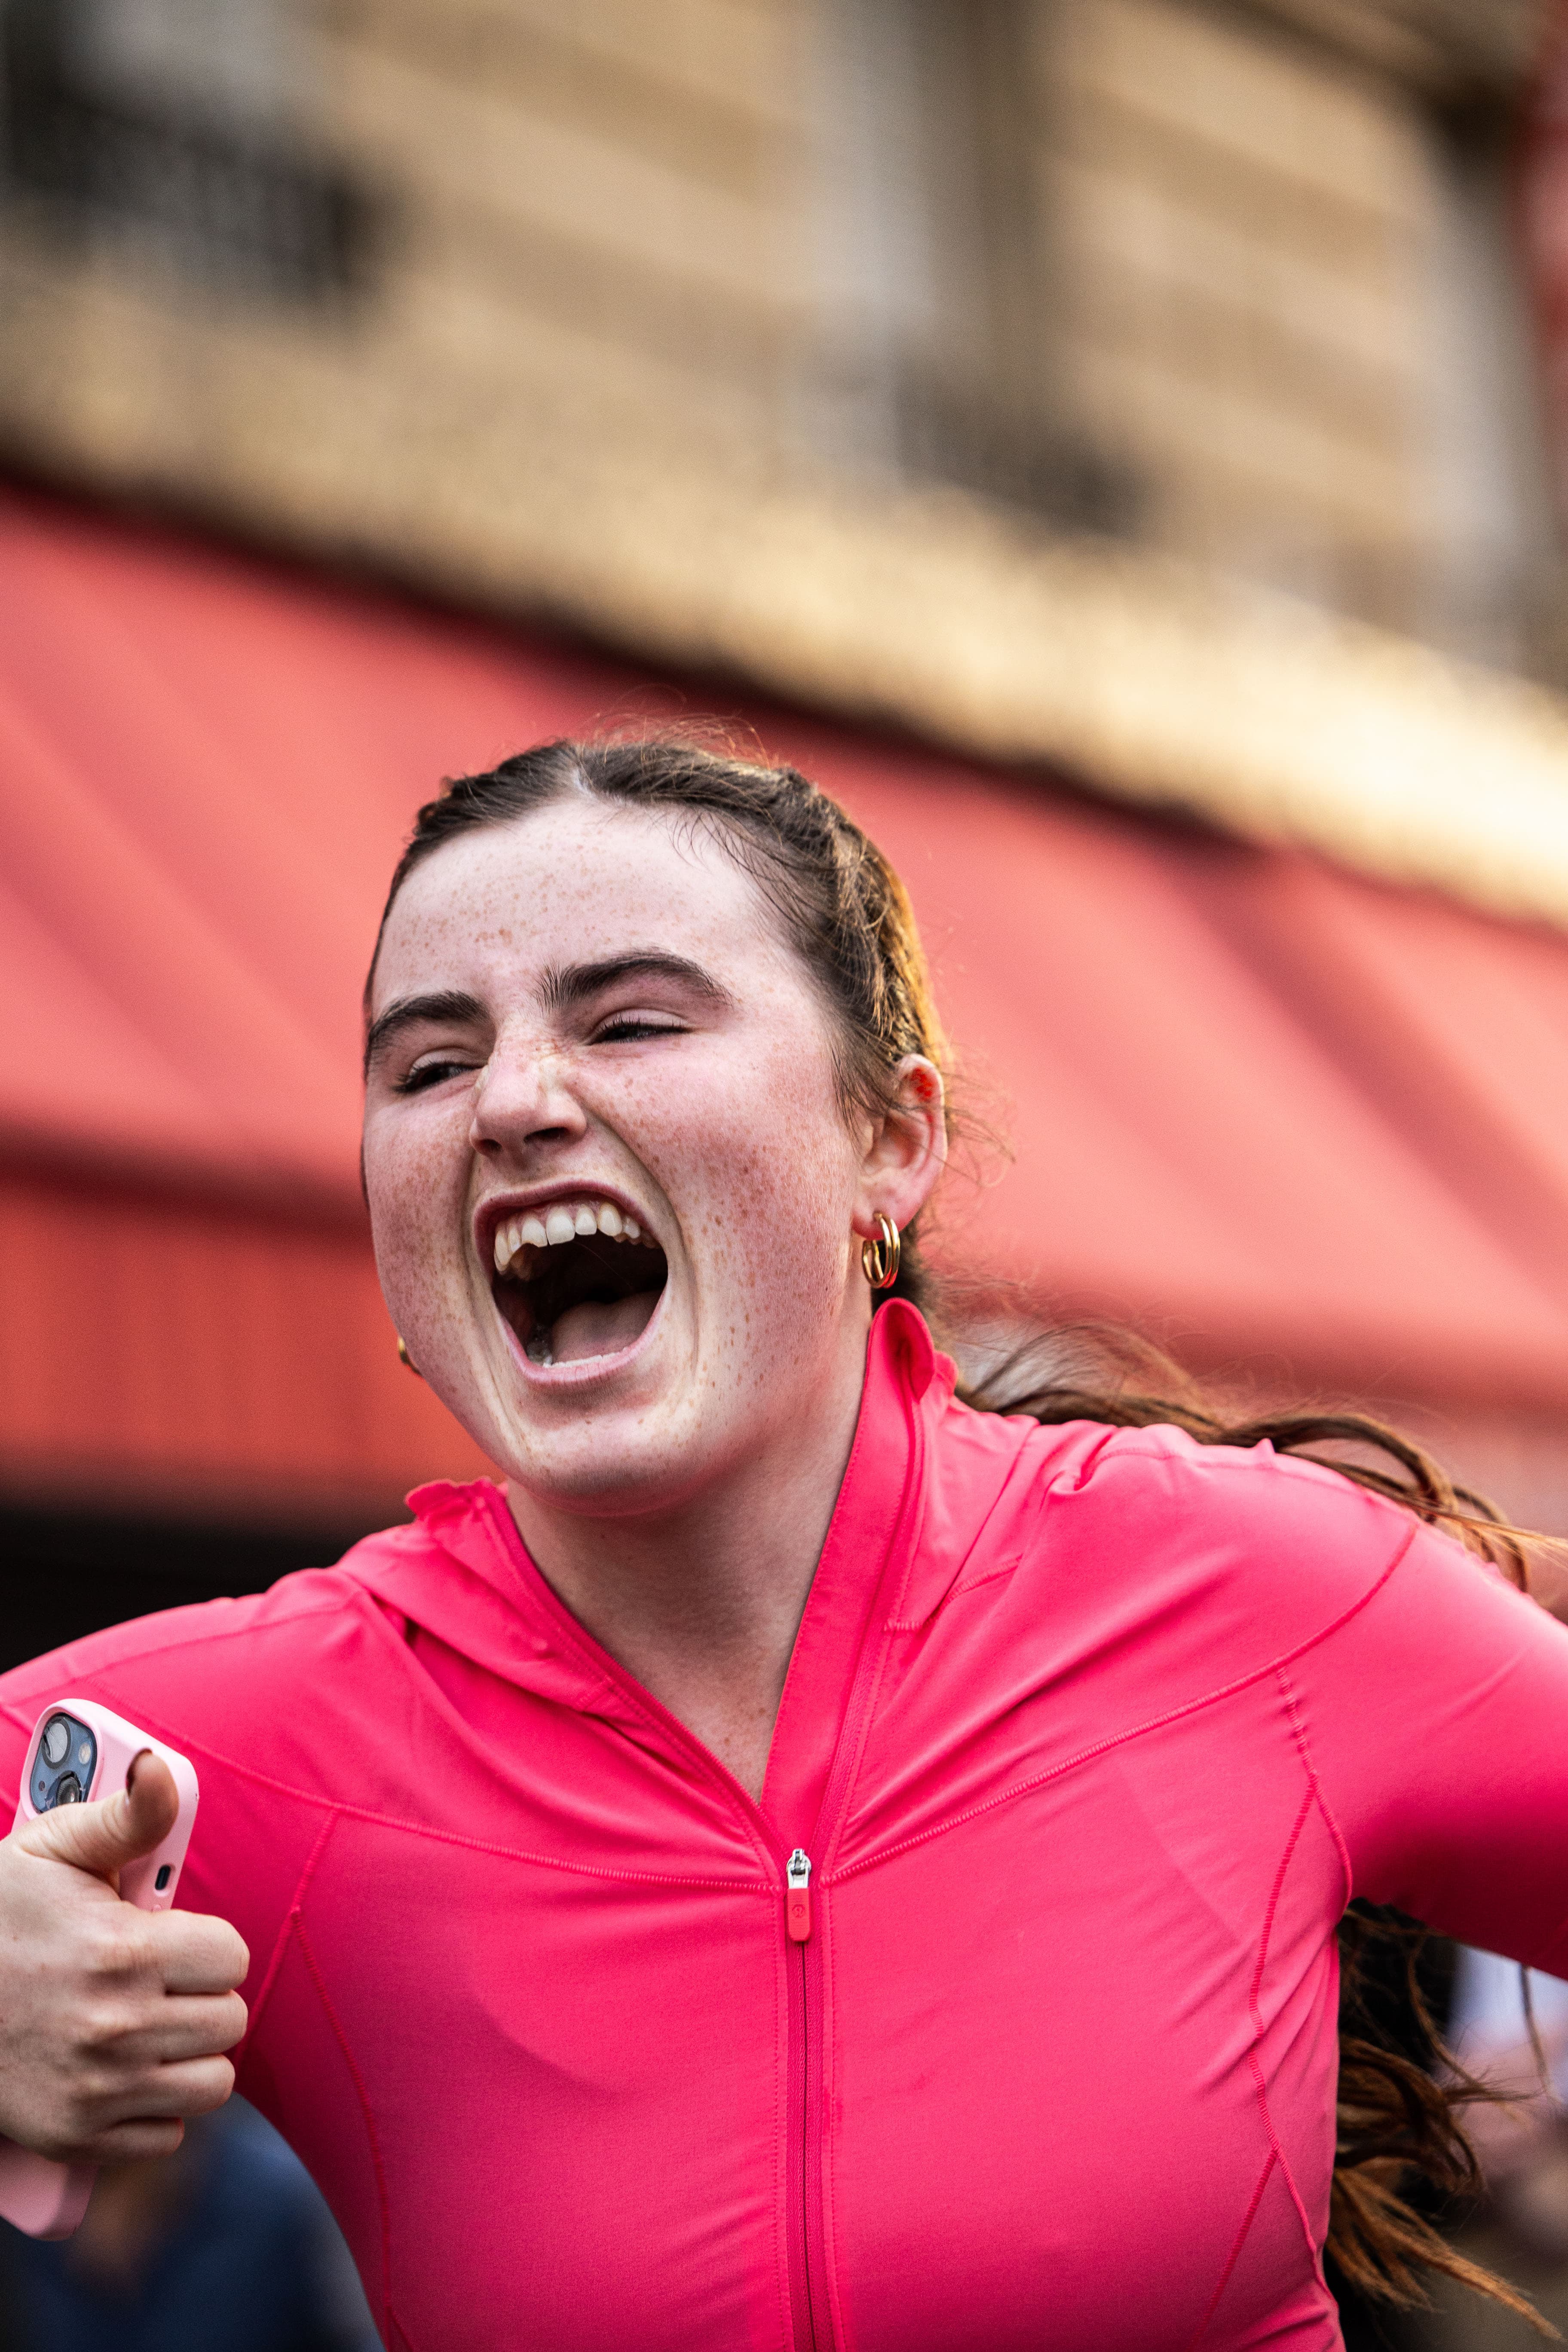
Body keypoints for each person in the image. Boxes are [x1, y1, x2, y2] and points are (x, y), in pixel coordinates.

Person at [0, 733, 1565, 2352]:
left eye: (634, 1021)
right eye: (427, 1065)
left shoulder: (1252, 1588)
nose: (518, 1102)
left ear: (891, 1139)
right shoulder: (223, 1741)